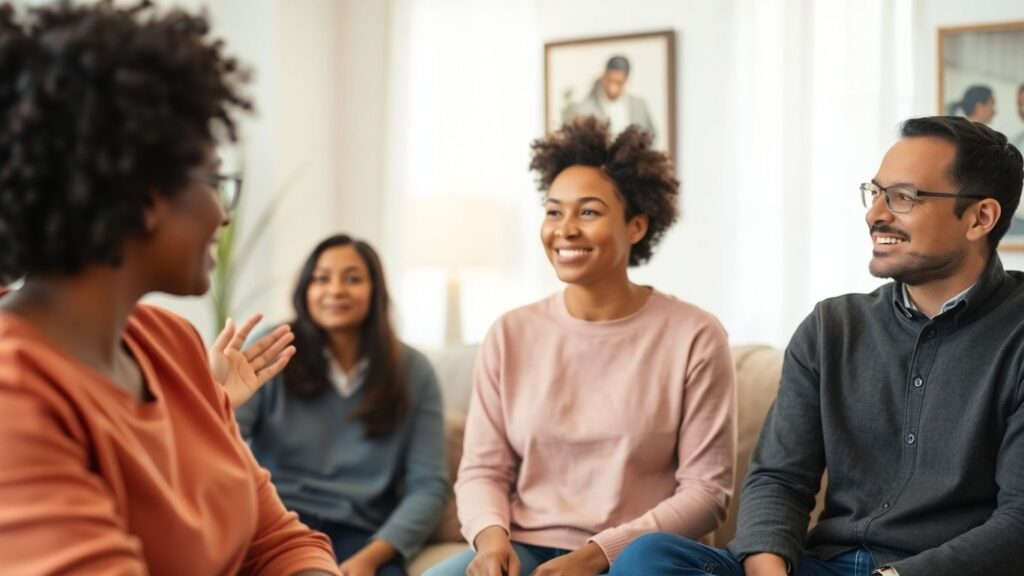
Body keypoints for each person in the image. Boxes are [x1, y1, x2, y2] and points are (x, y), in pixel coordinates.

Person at [0, 2, 340, 574]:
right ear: (146, 197)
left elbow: (279, 542)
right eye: (215, 181)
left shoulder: (174, 345)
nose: (224, 215)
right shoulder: (16, 394)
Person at [611, 115, 1024, 576]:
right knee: (650, 557)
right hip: (822, 566)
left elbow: (1018, 522)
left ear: (980, 218)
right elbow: (779, 479)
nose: (875, 214)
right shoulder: (832, 327)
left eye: (903, 197)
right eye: (876, 193)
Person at [424, 116, 736, 576]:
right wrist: (490, 541)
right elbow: (482, 470)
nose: (565, 229)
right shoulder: (510, 334)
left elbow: (707, 494)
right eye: (554, 212)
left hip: (638, 556)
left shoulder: (696, 335)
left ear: (636, 226)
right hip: (526, 546)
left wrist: (595, 556)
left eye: (588, 212)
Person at [235, 234, 449, 576]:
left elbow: (428, 487)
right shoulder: (273, 349)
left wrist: (372, 558)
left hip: (361, 538)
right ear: (305, 290)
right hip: (277, 525)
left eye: (352, 278)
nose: (335, 290)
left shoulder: (414, 370)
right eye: (321, 279)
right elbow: (223, 436)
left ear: (375, 290)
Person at [563, 55, 657, 140]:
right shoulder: (584, 109)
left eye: (618, 83)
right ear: (603, 76)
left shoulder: (639, 106)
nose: (613, 88)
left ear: (627, 80)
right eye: (609, 81)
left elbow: (652, 135)